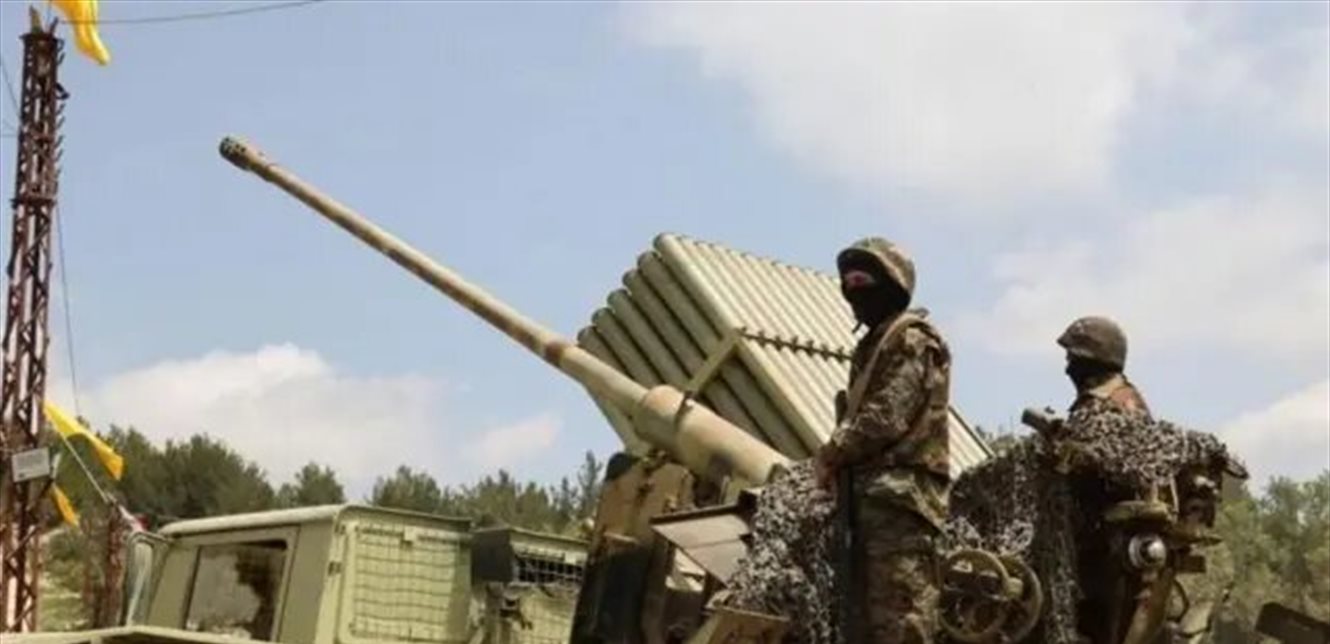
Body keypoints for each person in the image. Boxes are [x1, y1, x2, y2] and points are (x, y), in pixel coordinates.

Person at [814, 237, 952, 644]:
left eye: (863, 280)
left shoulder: (912, 338)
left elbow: (887, 416)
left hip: (899, 503)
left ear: (891, 284)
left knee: (901, 621)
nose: (853, 289)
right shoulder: (874, 343)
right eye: (848, 283)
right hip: (870, 500)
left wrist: (832, 453)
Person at [1058, 316, 1150, 417]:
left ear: (1090, 361)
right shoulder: (1099, 401)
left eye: (1073, 358)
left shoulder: (1117, 405)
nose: (1068, 370)